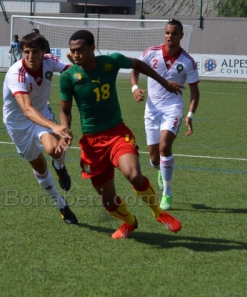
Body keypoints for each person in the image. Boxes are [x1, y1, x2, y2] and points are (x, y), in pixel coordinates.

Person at [59, 29, 183, 239]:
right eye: (72, 51)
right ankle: (129, 222)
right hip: (91, 143)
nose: (76, 54)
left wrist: (164, 83)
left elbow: (137, 64)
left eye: (80, 50)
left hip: (117, 133)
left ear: (92, 48)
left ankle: (159, 213)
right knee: (107, 200)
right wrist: (64, 130)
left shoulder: (110, 62)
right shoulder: (68, 77)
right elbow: (64, 110)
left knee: (134, 174)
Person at [2, 32, 78, 224]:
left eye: (35, 52)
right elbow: (27, 109)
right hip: (18, 124)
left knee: (55, 149)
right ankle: (61, 205)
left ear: (43, 52)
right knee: (39, 167)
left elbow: (74, 74)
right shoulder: (15, 73)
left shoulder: (50, 61)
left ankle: (60, 167)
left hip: (42, 114)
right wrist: (55, 126)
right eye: (26, 52)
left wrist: (77, 69)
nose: (30, 56)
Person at [130, 18, 200, 211]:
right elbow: (135, 69)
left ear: (181, 36)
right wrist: (135, 88)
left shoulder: (188, 62)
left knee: (164, 146)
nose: (170, 36)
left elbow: (195, 92)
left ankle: (167, 193)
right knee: (154, 158)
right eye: (167, 32)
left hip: (173, 108)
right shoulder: (151, 52)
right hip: (151, 110)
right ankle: (161, 169)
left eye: (174, 33)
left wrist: (190, 115)